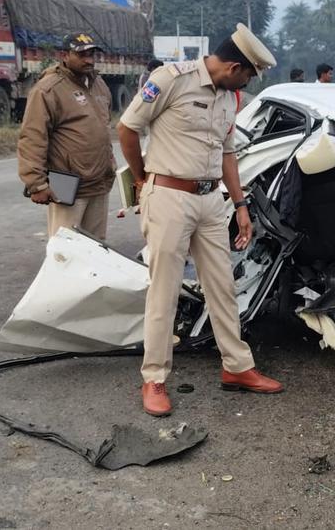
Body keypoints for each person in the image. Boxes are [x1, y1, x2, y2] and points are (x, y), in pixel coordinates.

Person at [118, 23, 284, 417]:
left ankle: (237, 367)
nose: (247, 81)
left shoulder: (231, 97)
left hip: (211, 201)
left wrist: (240, 205)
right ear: (233, 66)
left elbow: (227, 153)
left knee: (222, 286)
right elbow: (127, 128)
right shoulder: (171, 80)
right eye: (248, 73)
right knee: (165, 290)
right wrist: (142, 180)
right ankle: (154, 378)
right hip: (170, 197)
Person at [17, 32, 116, 241]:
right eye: (81, 55)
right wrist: (37, 184)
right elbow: (32, 138)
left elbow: (104, 127)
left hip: (99, 181)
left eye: (92, 54)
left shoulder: (99, 84)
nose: (89, 60)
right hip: (66, 184)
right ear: (64, 55)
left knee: (96, 250)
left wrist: (110, 163)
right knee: (65, 252)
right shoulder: (48, 89)